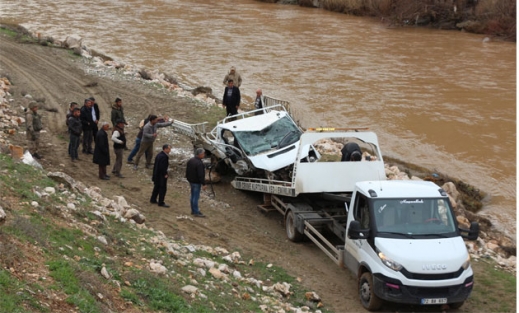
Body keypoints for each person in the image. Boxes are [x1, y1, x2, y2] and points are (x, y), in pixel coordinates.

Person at [185, 148, 207, 217]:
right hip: (196, 182)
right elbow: (200, 175)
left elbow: (187, 171)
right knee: (196, 197)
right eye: (203, 154)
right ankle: (196, 212)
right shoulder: (199, 163)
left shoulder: (191, 160)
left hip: (191, 181)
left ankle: (193, 210)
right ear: (200, 154)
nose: (204, 155)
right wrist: (203, 183)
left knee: (192, 196)